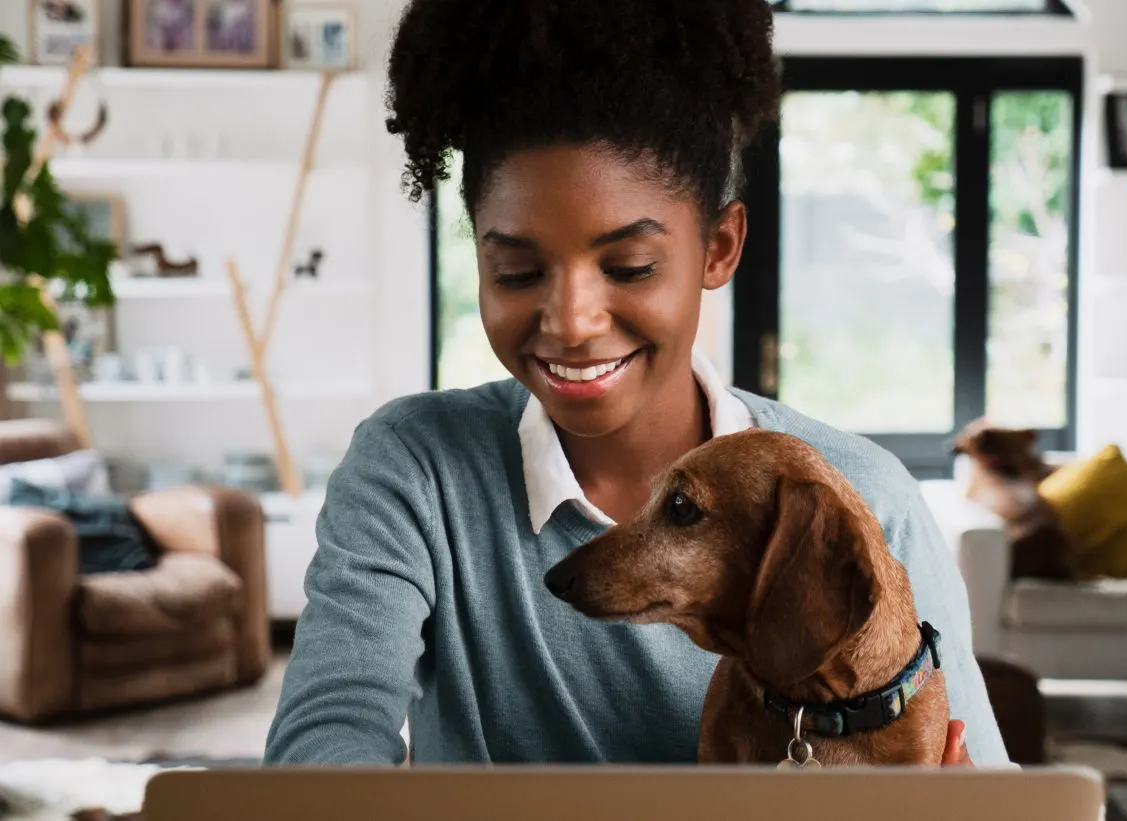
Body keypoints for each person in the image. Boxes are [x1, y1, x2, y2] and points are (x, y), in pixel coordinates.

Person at [264, 0, 1008, 767]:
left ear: (720, 247)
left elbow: (990, 788)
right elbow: (324, 750)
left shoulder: (866, 498)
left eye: (629, 267)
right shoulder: (414, 468)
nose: (573, 320)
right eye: (516, 271)